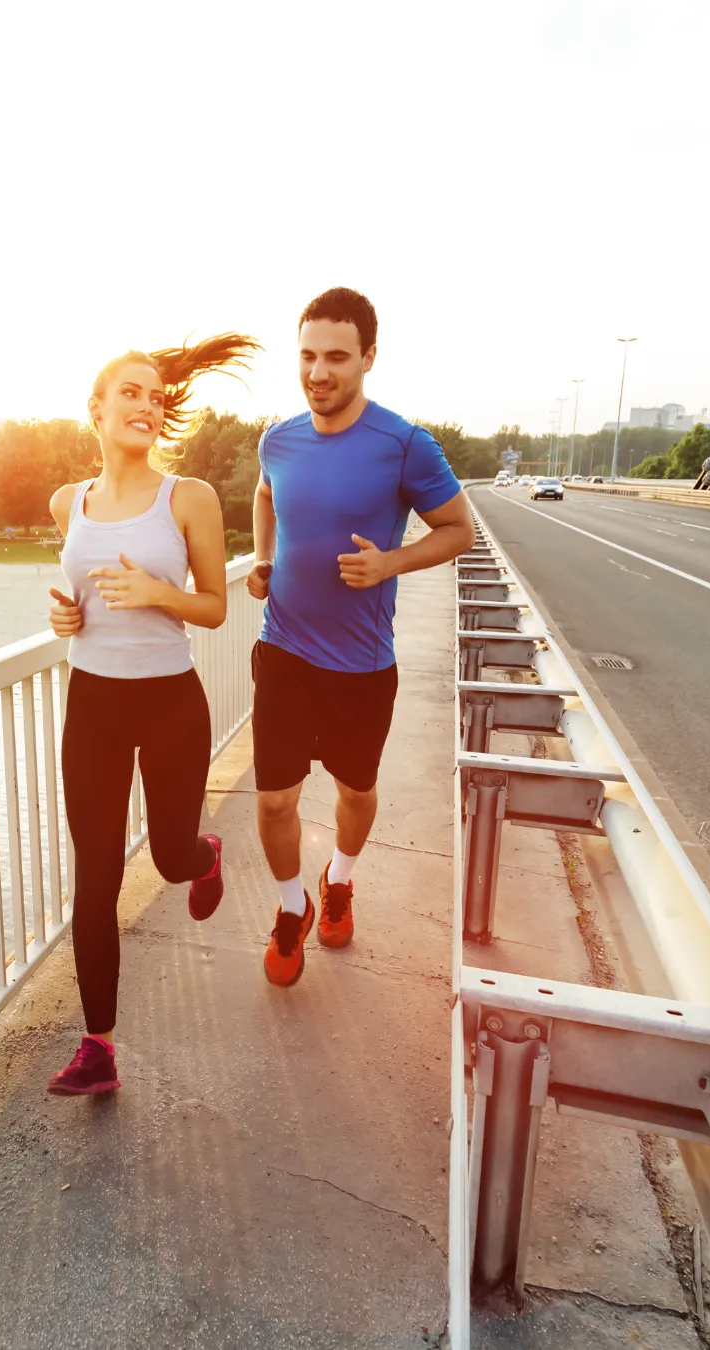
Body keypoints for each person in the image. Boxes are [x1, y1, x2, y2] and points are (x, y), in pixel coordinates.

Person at [46, 333, 261, 1095]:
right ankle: (97, 1045)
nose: (145, 403)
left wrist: (158, 595)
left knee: (167, 859)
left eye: (153, 394)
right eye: (128, 393)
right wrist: (67, 620)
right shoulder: (68, 502)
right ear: (97, 411)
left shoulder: (189, 498)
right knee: (96, 876)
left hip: (170, 702)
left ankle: (204, 856)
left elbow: (212, 605)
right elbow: (79, 594)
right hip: (92, 704)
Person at [247, 287, 474, 986]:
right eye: (309, 356)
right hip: (281, 650)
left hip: (360, 667)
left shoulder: (403, 444)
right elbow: (264, 494)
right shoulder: (277, 439)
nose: (319, 372)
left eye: (337, 357)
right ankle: (293, 908)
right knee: (274, 800)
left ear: (368, 358)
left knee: (354, 790)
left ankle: (340, 876)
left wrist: (390, 563)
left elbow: (458, 529)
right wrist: (262, 558)